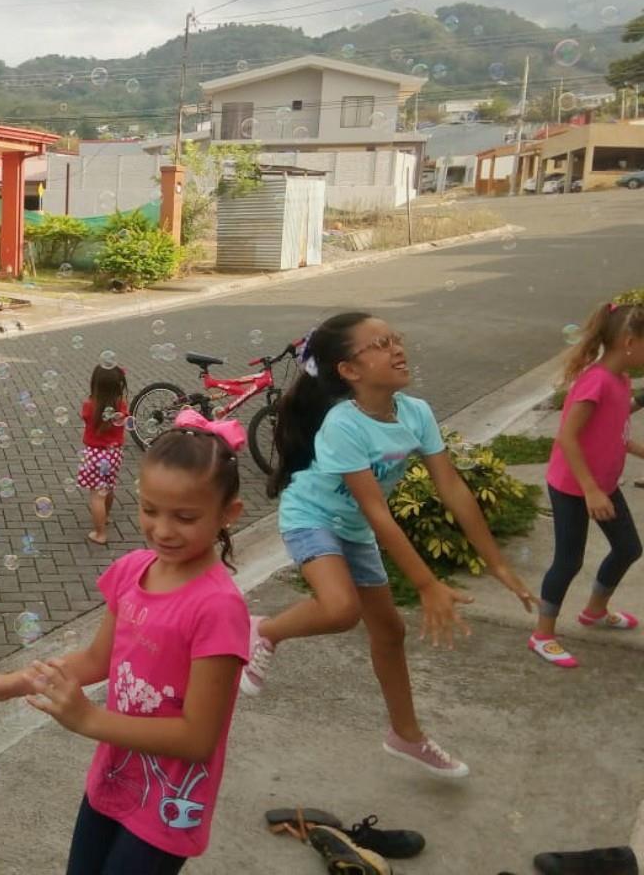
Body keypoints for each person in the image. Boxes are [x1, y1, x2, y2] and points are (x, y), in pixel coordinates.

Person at [0, 410, 250, 874]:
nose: (163, 530)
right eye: (149, 510)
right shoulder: (132, 571)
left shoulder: (218, 609)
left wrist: (89, 719)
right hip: (113, 778)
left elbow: (196, 738)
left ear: (229, 514)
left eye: (185, 517)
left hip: (169, 802)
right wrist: (8, 684)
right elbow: (95, 659)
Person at [251, 312, 534, 779]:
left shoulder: (416, 413)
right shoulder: (343, 425)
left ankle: (406, 735)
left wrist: (498, 563)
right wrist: (425, 584)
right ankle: (264, 631)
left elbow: (454, 489)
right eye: (380, 344)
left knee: (390, 633)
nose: (397, 348)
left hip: (355, 528)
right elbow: (378, 512)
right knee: (340, 609)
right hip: (313, 517)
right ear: (350, 370)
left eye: (396, 339)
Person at [530, 302, 643, 667]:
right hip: (572, 486)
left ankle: (595, 611)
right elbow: (568, 437)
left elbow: (615, 432)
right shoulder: (595, 382)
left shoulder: (621, 379)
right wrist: (591, 490)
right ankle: (542, 634)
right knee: (569, 560)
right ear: (629, 341)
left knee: (627, 548)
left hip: (602, 483)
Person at [78, 364, 129, 545]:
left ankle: (100, 533)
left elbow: (85, 417)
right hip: (114, 454)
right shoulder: (121, 406)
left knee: (96, 495)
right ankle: (105, 517)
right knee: (108, 488)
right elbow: (123, 418)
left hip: (94, 455)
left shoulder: (89, 405)